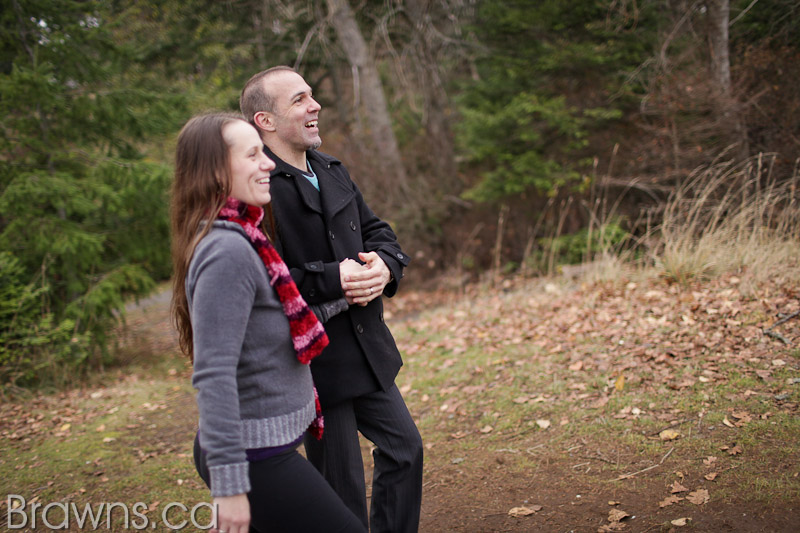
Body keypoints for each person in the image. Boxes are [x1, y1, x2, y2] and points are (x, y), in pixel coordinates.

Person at [240, 67, 423, 533]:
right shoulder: (257, 187)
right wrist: (332, 279)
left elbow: (378, 230)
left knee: (405, 450)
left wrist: (385, 264)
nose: (315, 105)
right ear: (265, 119)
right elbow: (262, 279)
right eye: (300, 99)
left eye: (313, 96)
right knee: (341, 490)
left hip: (365, 347)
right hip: (312, 363)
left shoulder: (330, 169)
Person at [170, 112, 366, 533]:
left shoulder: (245, 234)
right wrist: (229, 488)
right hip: (252, 457)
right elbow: (214, 373)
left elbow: (270, 325)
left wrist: (339, 301)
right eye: (254, 154)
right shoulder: (227, 251)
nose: (269, 164)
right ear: (217, 172)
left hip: (262, 450)